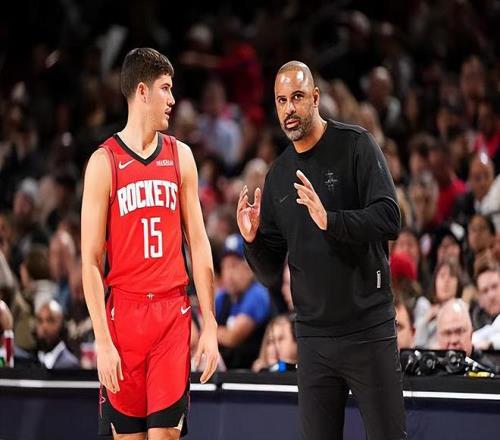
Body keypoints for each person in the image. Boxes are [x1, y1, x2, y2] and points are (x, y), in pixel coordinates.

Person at [237, 60, 406, 440]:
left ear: (315, 98)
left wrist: (331, 220)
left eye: (297, 97)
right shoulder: (278, 176)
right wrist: (251, 240)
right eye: (281, 100)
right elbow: (269, 272)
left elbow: (389, 217)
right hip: (313, 339)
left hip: (368, 329)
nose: (289, 108)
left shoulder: (356, 145)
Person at [81, 48, 219, 440]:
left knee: (165, 435)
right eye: (165, 88)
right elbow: (90, 261)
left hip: (171, 315)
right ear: (142, 91)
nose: (172, 99)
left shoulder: (181, 156)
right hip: (123, 319)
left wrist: (210, 323)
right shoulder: (104, 162)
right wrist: (102, 341)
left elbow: (199, 243)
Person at [215, 233, 271, 369]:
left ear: (249, 267)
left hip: (252, 373)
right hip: (227, 371)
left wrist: (210, 331)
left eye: (234, 266)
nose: (228, 273)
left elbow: (233, 337)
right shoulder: (222, 297)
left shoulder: (257, 293)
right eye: (224, 266)